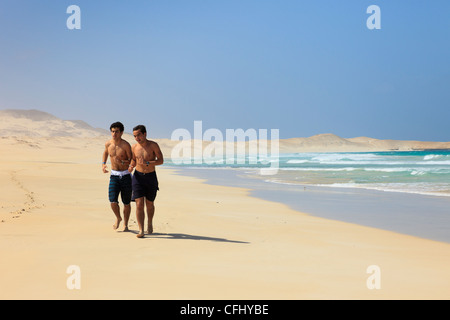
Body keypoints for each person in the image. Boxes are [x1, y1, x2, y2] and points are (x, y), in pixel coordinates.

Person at [128, 124, 164, 238]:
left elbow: (161, 160)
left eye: (138, 135)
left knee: (149, 203)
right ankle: (141, 230)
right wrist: (131, 166)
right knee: (139, 204)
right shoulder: (134, 147)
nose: (137, 138)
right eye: (134, 136)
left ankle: (149, 222)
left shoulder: (153, 145)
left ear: (145, 134)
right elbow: (134, 160)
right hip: (138, 177)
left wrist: (148, 163)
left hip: (150, 177)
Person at [102, 122, 132, 231]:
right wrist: (103, 164)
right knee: (112, 201)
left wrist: (123, 161)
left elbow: (131, 160)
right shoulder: (108, 144)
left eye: (117, 131)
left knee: (126, 202)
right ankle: (118, 218)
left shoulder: (125, 145)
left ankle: (126, 224)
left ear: (121, 132)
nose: (114, 133)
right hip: (114, 175)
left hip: (125, 176)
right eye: (113, 131)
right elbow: (105, 153)